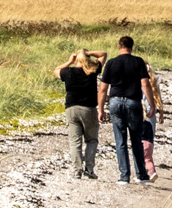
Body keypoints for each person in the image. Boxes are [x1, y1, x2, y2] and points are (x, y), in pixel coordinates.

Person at [98, 35, 161, 184]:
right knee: (136, 139)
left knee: (120, 141)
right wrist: (151, 104)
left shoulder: (111, 63)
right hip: (133, 102)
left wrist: (100, 109)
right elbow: (145, 84)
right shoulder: (138, 61)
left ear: (119, 47)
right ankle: (141, 174)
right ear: (131, 47)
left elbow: (102, 89)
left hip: (115, 101)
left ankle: (124, 176)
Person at [55, 49, 105, 179]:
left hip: (72, 108)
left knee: (75, 141)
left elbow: (56, 70)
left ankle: (77, 170)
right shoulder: (93, 70)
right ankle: (89, 168)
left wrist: (69, 61)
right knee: (91, 140)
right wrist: (89, 54)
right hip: (89, 108)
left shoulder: (69, 72)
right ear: (87, 59)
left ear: (76, 59)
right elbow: (103, 54)